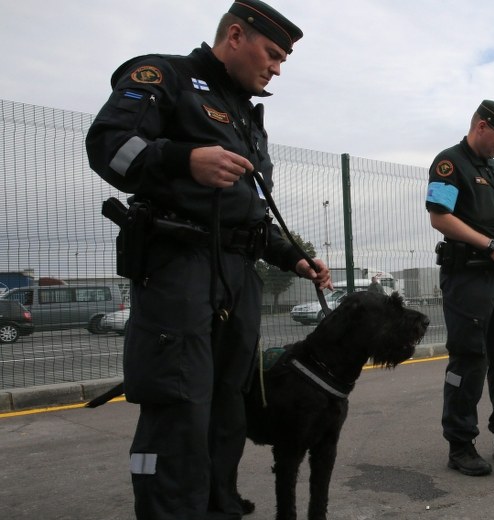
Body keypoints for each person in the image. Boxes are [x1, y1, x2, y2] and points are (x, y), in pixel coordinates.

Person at [85, 2, 331, 518]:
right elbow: (107, 144)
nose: (278, 67)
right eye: (272, 53)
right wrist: (181, 158)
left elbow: (245, 213)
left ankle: (218, 507)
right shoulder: (166, 76)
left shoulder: (245, 113)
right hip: (179, 270)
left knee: (227, 410)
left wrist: (292, 257)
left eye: (284, 59)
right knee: (179, 406)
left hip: (238, 276)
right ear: (236, 36)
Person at [426, 100, 494, 475]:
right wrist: (487, 245)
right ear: (482, 126)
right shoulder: (449, 163)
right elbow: (439, 218)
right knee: (470, 359)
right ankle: (460, 445)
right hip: (467, 278)